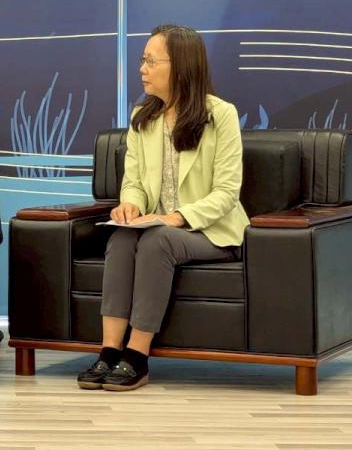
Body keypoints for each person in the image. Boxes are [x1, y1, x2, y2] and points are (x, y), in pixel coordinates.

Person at [77, 24, 249, 392]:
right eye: (142, 60)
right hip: (157, 225)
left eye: (151, 61)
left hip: (211, 231)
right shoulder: (143, 117)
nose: (142, 69)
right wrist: (130, 205)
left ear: (181, 66)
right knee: (122, 238)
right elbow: (135, 181)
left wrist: (177, 217)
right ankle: (109, 351)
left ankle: (137, 355)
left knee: (158, 240)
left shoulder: (221, 115)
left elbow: (227, 193)